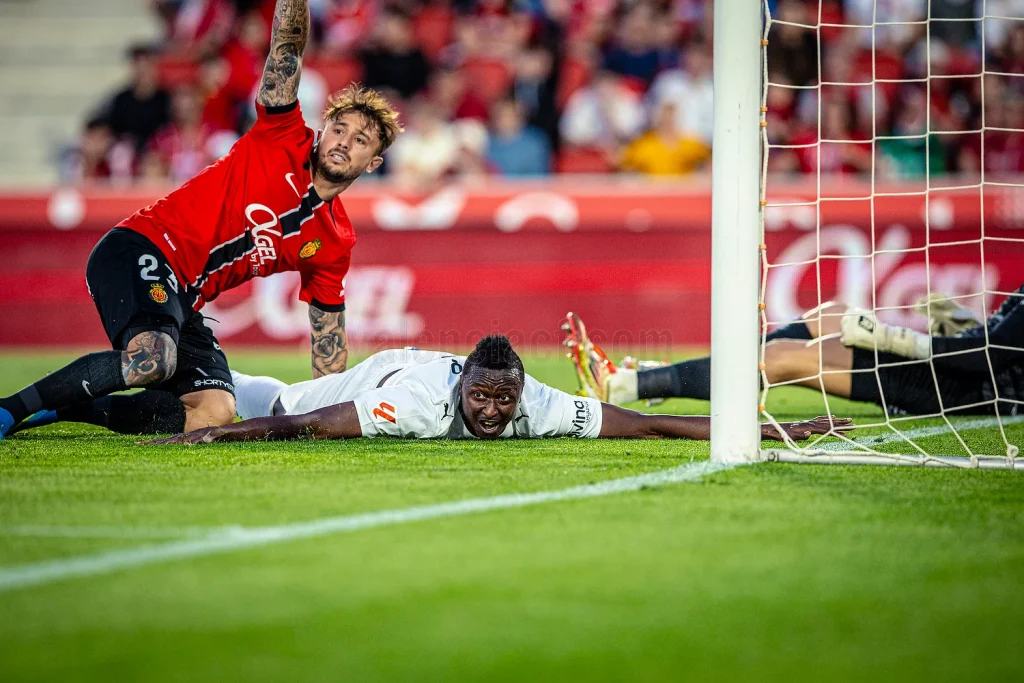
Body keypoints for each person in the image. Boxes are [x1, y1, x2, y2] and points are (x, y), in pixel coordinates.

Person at [0, 0, 403, 440]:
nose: (344, 142)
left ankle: (61, 411)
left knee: (212, 412)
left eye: (360, 140)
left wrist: (327, 414)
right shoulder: (280, 135)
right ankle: (8, 409)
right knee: (153, 358)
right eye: (339, 129)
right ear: (323, 129)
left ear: (373, 163)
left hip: (183, 297)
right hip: (140, 248)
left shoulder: (334, 242)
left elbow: (328, 339)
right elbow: (287, 46)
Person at [145, 335, 847, 445]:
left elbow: (649, 425)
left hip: (371, 374)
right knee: (147, 408)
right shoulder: (423, 398)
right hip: (278, 399)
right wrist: (222, 430)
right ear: (464, 384)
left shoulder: (535, 402)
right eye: (480, 397)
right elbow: (313, 424)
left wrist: (772, 429)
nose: (489, 410)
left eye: (500, 401)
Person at [563, 286, 1024, 418]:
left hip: (977, 391)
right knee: (830, 313)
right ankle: (681, 375)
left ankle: (625, 385)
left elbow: (989, 357)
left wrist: (895, 339)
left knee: (781, 357)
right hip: (966, 372)